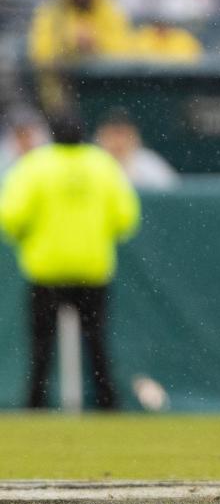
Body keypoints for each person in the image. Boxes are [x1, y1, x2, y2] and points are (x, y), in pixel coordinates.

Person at [0, 112, 140, 409]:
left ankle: (35, 404)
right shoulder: (102, 165)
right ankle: (106, 403)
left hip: (46, 270)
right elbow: (126, 218)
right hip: (92, 268)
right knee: (96, 343)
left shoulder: (35, 165)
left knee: (41, 346)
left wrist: (29, 237)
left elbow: (11, 217)